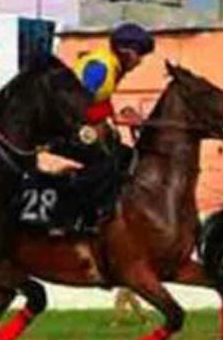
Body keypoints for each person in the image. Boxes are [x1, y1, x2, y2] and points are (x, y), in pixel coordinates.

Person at [60, 23, 156, 229]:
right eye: (138, 54)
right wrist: (99, 124)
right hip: (62, 129)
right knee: (106, 162)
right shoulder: (100, 67)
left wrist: (117, 117)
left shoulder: (113, 68)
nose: (139, 61)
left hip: (77, 126)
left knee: (127, 156)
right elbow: (76, 103)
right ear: (124, 51)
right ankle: (73, 210)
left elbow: (98, 101)